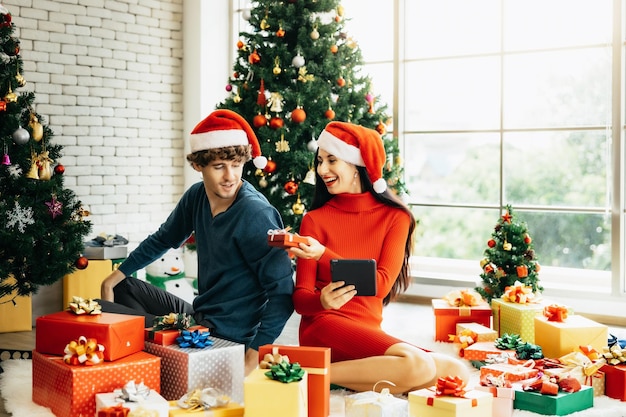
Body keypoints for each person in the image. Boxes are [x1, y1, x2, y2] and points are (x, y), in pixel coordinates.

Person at [99, 109, 295, 375]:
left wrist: (254, 354)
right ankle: (158, 355)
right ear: (198, 165)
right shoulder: (197, 196)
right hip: (200, 317)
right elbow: (163, 238)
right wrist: (114, 276)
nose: (230, 176)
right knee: (124, 287)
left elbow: (282, 293)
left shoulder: (255, 214)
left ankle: (157, 358)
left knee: (106, 313)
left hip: (227, 338)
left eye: (236, 165)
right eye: (219, 167)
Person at [290, 121, 470, 394]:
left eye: (331, 160)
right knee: (418, 364)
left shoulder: (396, 218)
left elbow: (382, 283)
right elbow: (302, 301)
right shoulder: (315, 220)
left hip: (365, 330)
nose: (322, 170)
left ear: (356, 165)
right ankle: (306, 374)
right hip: (324, 326)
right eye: (319, 161)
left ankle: (324, 373)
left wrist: (323, 254)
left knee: (456, 372)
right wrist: (321, 300)